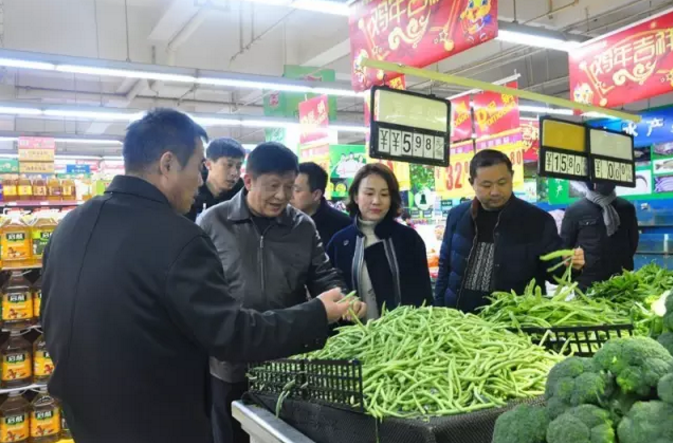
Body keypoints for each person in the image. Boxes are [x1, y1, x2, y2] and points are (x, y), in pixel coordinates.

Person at [40, 109, 363, 443]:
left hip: (87, 420)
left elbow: (50, 318)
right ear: (167, 164)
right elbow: (231, 334)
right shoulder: (179, 237)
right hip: (160, 422)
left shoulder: (69, 226)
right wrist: (317, 313)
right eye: (197, 167)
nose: (199, 181)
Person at [199, 144, 361, 443]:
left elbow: (323, 275)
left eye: (290, 187)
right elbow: (201, 292)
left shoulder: (302, 226)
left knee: (280, 435)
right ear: (249, 181)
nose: (282, 196)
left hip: (286, 360)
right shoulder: (213, 222)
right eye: (273, 186)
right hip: (230, 362)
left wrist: (344, 299)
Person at [434, 149, 585, 313]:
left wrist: (568, 265)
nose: (495, 191)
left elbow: (554, 273)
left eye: (502, 183)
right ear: (472, 183)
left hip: (514, 319)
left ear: (512, 177)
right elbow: (445, 268)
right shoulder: (457, 216)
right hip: (460, 317)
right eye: (486, 185)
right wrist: (439, 310)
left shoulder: (538, 221)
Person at [327, 163, 433, 320]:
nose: (376, 201)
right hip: (355, 333)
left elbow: (424, 293)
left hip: (406, 331)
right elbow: (332, 288)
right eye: (369, 193)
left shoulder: (409, 239)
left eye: (384, 194)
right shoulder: (340, 242)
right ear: (356, 196)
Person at [561, 183, 639, 291]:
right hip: (588, 283)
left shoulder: (626, 208)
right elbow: (565, 247)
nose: (604, 182)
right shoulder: (575, 210)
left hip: (622, 281)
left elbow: (633, 242)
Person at [291, 162, 351, 246]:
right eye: (288, 187)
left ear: (316, 195)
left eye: (296, 190)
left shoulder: (343, 226)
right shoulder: (279, 219)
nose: (289, 194)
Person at [185, 137, 245, 222]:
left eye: (238, 166)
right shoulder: (190, 192)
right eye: (229, 165)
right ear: (208, 164)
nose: (234, 173)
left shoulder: (242, 197)